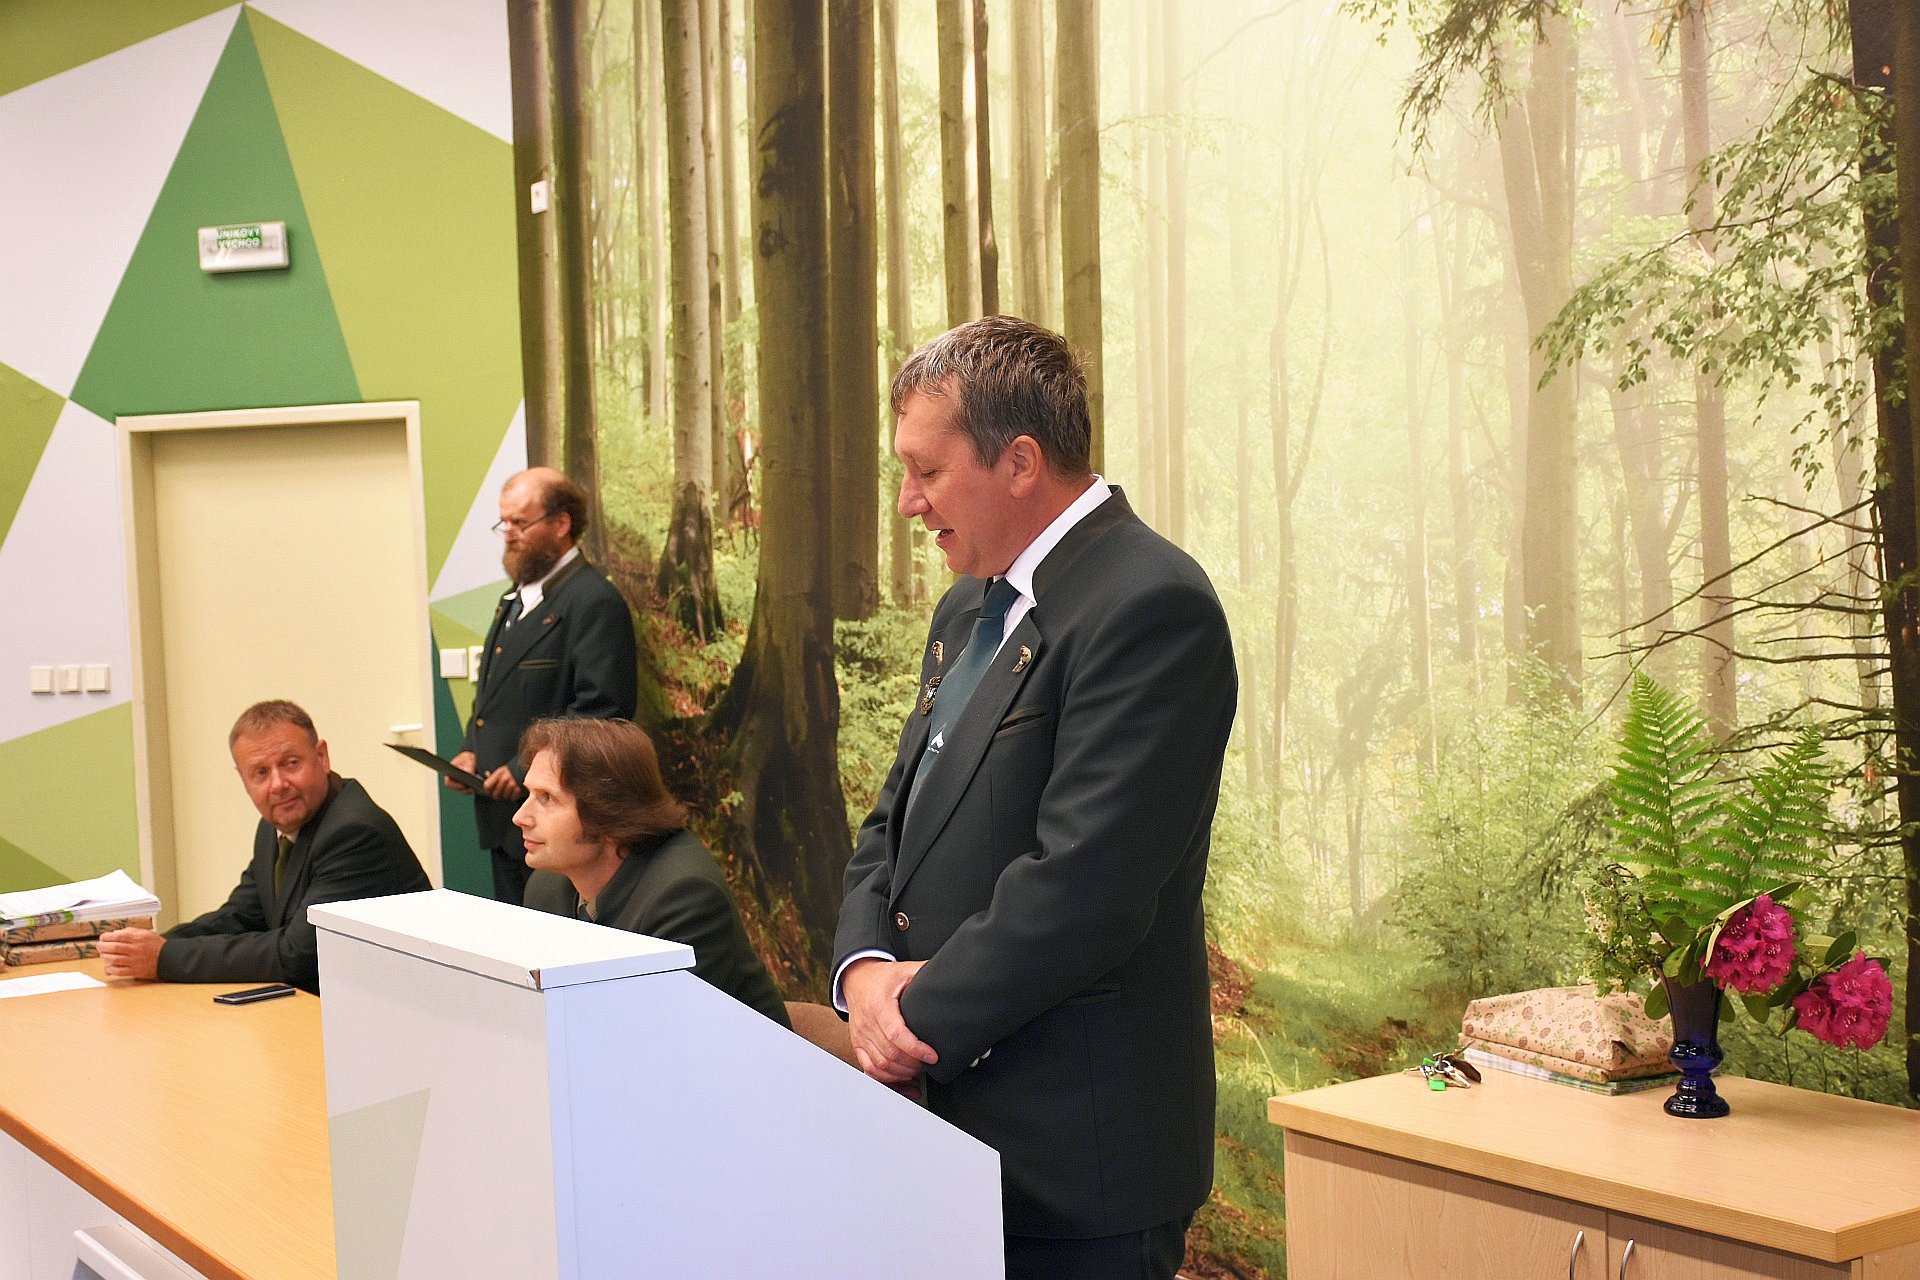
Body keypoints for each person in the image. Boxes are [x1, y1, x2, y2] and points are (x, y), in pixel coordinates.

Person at [832, 316, 1237, 1280]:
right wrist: (863, 969)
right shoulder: (967, 605)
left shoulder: (1151, 604)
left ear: (1019, 462)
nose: (907, 501)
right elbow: (894, 817)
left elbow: (1086, 886)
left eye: (927, 472)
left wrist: (908, 1020)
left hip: (1075, 1162)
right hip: (944, 1135)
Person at [99, 701, 430, 994]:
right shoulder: (276, 825)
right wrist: (149, 946)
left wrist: (164, 958)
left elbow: (297, 955)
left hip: (400, 1013)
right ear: (243, 780)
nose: (278, 785)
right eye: (260, 772)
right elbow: (241, 915)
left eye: (291, 763)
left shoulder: (354, 833)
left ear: (321, 757)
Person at [516, 717, 789, 1028]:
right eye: (529, 795)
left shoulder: (685, 897)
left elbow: (659, 1040)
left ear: (607, 812)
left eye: (547, 799)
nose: (520, 816)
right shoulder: (546, 887)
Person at [448, 466, 638, 905]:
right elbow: (492, 693)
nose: (509, 535)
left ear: (561, 523)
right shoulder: (514, 598)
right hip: (503, 819)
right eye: (504, 523)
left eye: (520, 523)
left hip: (560, 824)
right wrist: (472, 748)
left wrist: (521, 770)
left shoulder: (594, 601)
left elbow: (602, 711)